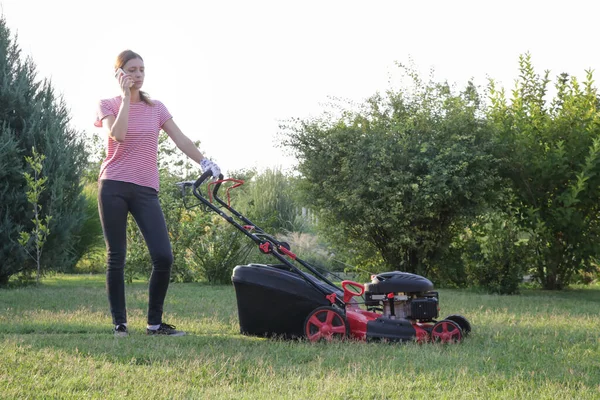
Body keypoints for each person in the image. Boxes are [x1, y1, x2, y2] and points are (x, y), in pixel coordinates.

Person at [94, 49, 221, 337]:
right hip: (113, 185)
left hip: (146, 189)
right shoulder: (107, 104)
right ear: (119, 74)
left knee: (163, 256)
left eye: (141, 70)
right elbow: (119, 135)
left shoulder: (157, 108)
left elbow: (180, 139)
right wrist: (126, 99)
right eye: (132, 70)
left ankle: (154, 324)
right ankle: (120, 325)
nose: (138, 75)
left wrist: (204, 161)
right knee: (117, 256)